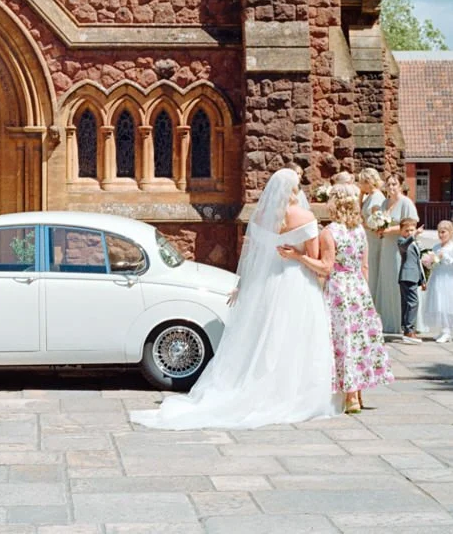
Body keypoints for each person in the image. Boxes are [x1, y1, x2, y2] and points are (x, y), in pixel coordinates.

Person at [129, 169, 342, 429]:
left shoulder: (261, 217)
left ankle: (262, 389)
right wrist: (297, 257)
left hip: (266, 286)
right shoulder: (306, 217)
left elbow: (252, 257)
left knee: (264, 339)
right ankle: (293, 393)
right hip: (297, 284)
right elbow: (314, 261)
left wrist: (242, 287)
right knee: (297, 338)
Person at [290, 184, 393, 414]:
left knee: (341, 339)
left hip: (339, 290)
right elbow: (365, 266)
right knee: (358, 340)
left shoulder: (330, 232)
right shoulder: (359, 231)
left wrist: (299, 257)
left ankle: (349, 396)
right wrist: (363, 292)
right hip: (359, 289)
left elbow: (325, 267)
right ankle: (357, 394)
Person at [373, 173, 420, 335]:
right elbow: (377, 220)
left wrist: (390, 229)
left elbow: (412, 223)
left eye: (394, 184)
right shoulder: (384, 203)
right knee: (386, 278)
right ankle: (388, 320)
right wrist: (378, 228)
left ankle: (406, 322)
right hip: (386, 245)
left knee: (399, 280)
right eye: (389, 184)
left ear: (400, 186)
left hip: (401, 247)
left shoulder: (406, 203)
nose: (391, 187)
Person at [422, 221, 453, 343]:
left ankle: (447, 330)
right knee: (439, 303)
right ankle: (443, 329)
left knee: (448, 303)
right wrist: (430, 262)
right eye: (439, 232)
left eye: (443, 232)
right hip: (438, 278)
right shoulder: (436, 247)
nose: (441, 235)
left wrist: (447, 258)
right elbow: (433, 263)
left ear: (450, 233)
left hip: (449, 280)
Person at [396, 217, 426, 344]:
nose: (409, 232)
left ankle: (407, 329)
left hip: (413, 276)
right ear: (401, 231)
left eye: (411, 230)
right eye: (406, 230)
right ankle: (409, 330)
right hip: (407, 276)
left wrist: (422, 279)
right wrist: (414, 235)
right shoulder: (401, 241)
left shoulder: (414, 243)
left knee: (409, 303)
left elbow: (418, 263)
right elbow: (404, 245)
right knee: (413, 303)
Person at [358, 167, 385, 300]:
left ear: (368, 181)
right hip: (367, 238)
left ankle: (373, 298)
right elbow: (358, 211)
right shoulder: (370, 196)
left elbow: (377, 223)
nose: (360, 185)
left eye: (362, 182)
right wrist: (361, 194)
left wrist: (364, 225)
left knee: (371, 267)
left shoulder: (377, 198)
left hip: (373, 239)